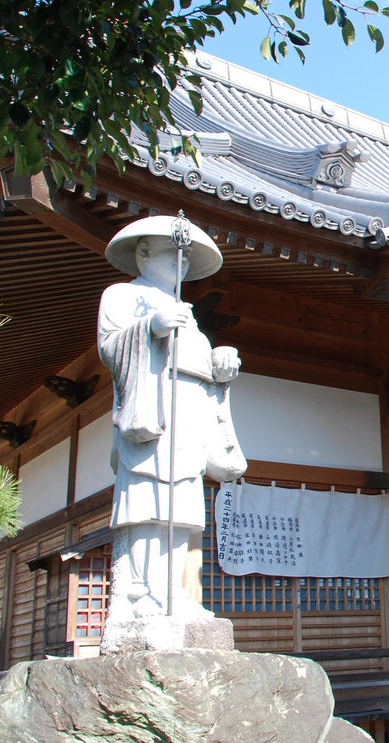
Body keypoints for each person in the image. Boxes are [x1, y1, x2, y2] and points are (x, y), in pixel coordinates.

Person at [98, 214, 246, 624]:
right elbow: (111, 348)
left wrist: (220, 364)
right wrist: (151, 327)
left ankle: (174, 591)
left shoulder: (187, 311)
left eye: (186, 259)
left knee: (182, 503)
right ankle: (140, 591)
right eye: (173, 254)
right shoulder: (123, 297)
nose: (181, 264)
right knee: (148, 499)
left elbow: (199, 364)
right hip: (153, 411)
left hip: (190, 411)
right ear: (144, 252)